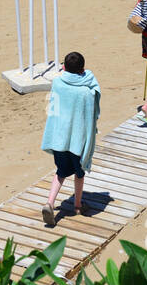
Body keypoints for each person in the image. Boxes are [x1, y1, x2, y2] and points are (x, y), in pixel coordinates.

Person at [40, 51, 101, 227]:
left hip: (59, 138)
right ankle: (77, 205)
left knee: (60, 172)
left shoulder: (58, 83)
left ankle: (50, 203)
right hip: (77, 141)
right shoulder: (86, 91)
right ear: (82, 69)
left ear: (64, 67)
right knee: (79, 173)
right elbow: (93, 110)